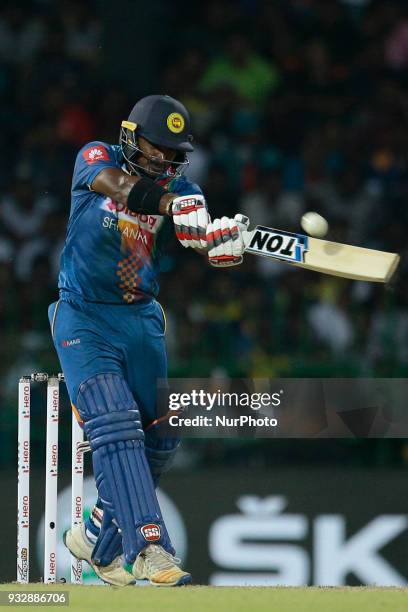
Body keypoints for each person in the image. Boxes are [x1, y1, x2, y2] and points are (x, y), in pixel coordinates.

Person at [48, 94, 248, 586]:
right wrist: (170, 202)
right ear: (129, 137)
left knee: (161, 433)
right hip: (84, 317)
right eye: (152, 147)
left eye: (170, 152)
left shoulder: (187, 190)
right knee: (114, 419)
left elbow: (195, 235)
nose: (161, 159)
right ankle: (151, 547)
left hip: (141, 321)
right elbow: (117, 186)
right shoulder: (95, 158)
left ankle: (98, 536)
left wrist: (221, 243)